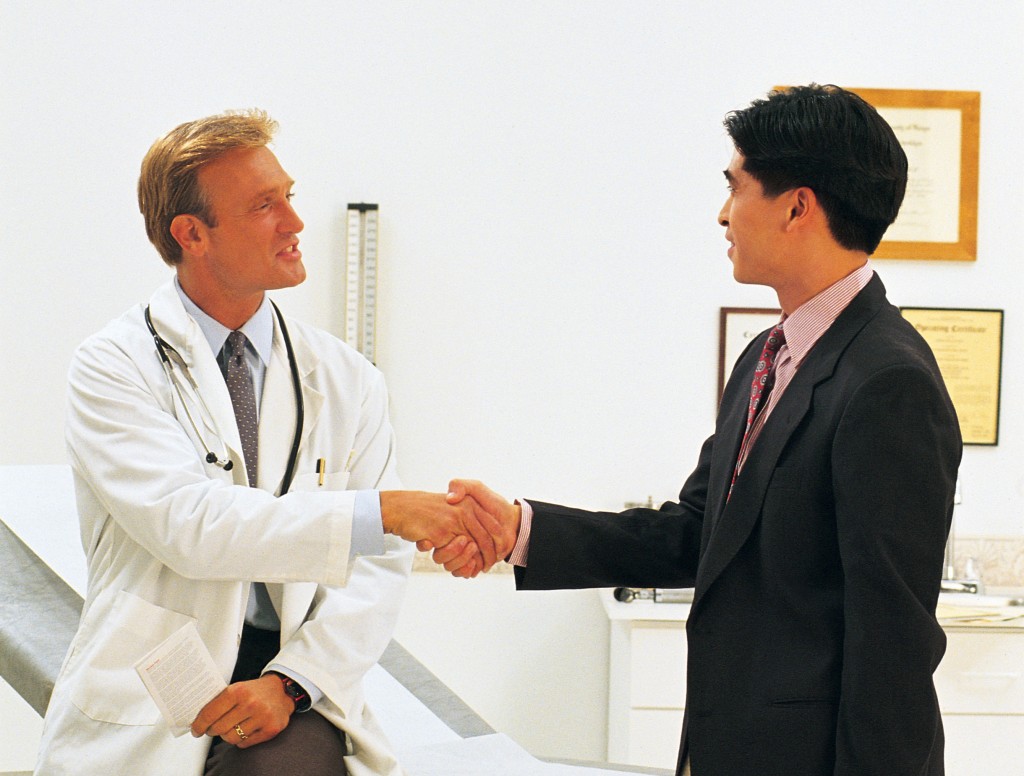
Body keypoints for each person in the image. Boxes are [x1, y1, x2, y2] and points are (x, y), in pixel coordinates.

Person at [436, 85, 963, 775]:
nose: (723, 214)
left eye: (735, 186)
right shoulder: (765, 358)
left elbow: (892, 644)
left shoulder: (887, 381)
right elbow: (697, 535)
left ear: (798, 205)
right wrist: (521, 529)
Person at [37, 109, 493, 776]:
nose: (294, 222)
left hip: (291, 671)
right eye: (262, 206)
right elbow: (187, 525)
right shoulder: (113, 366)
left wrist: (292, 682)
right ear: (192, 234)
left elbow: (376, 570)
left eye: (289, 196)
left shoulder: (346, 380)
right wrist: (384, 512)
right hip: (156, 680)